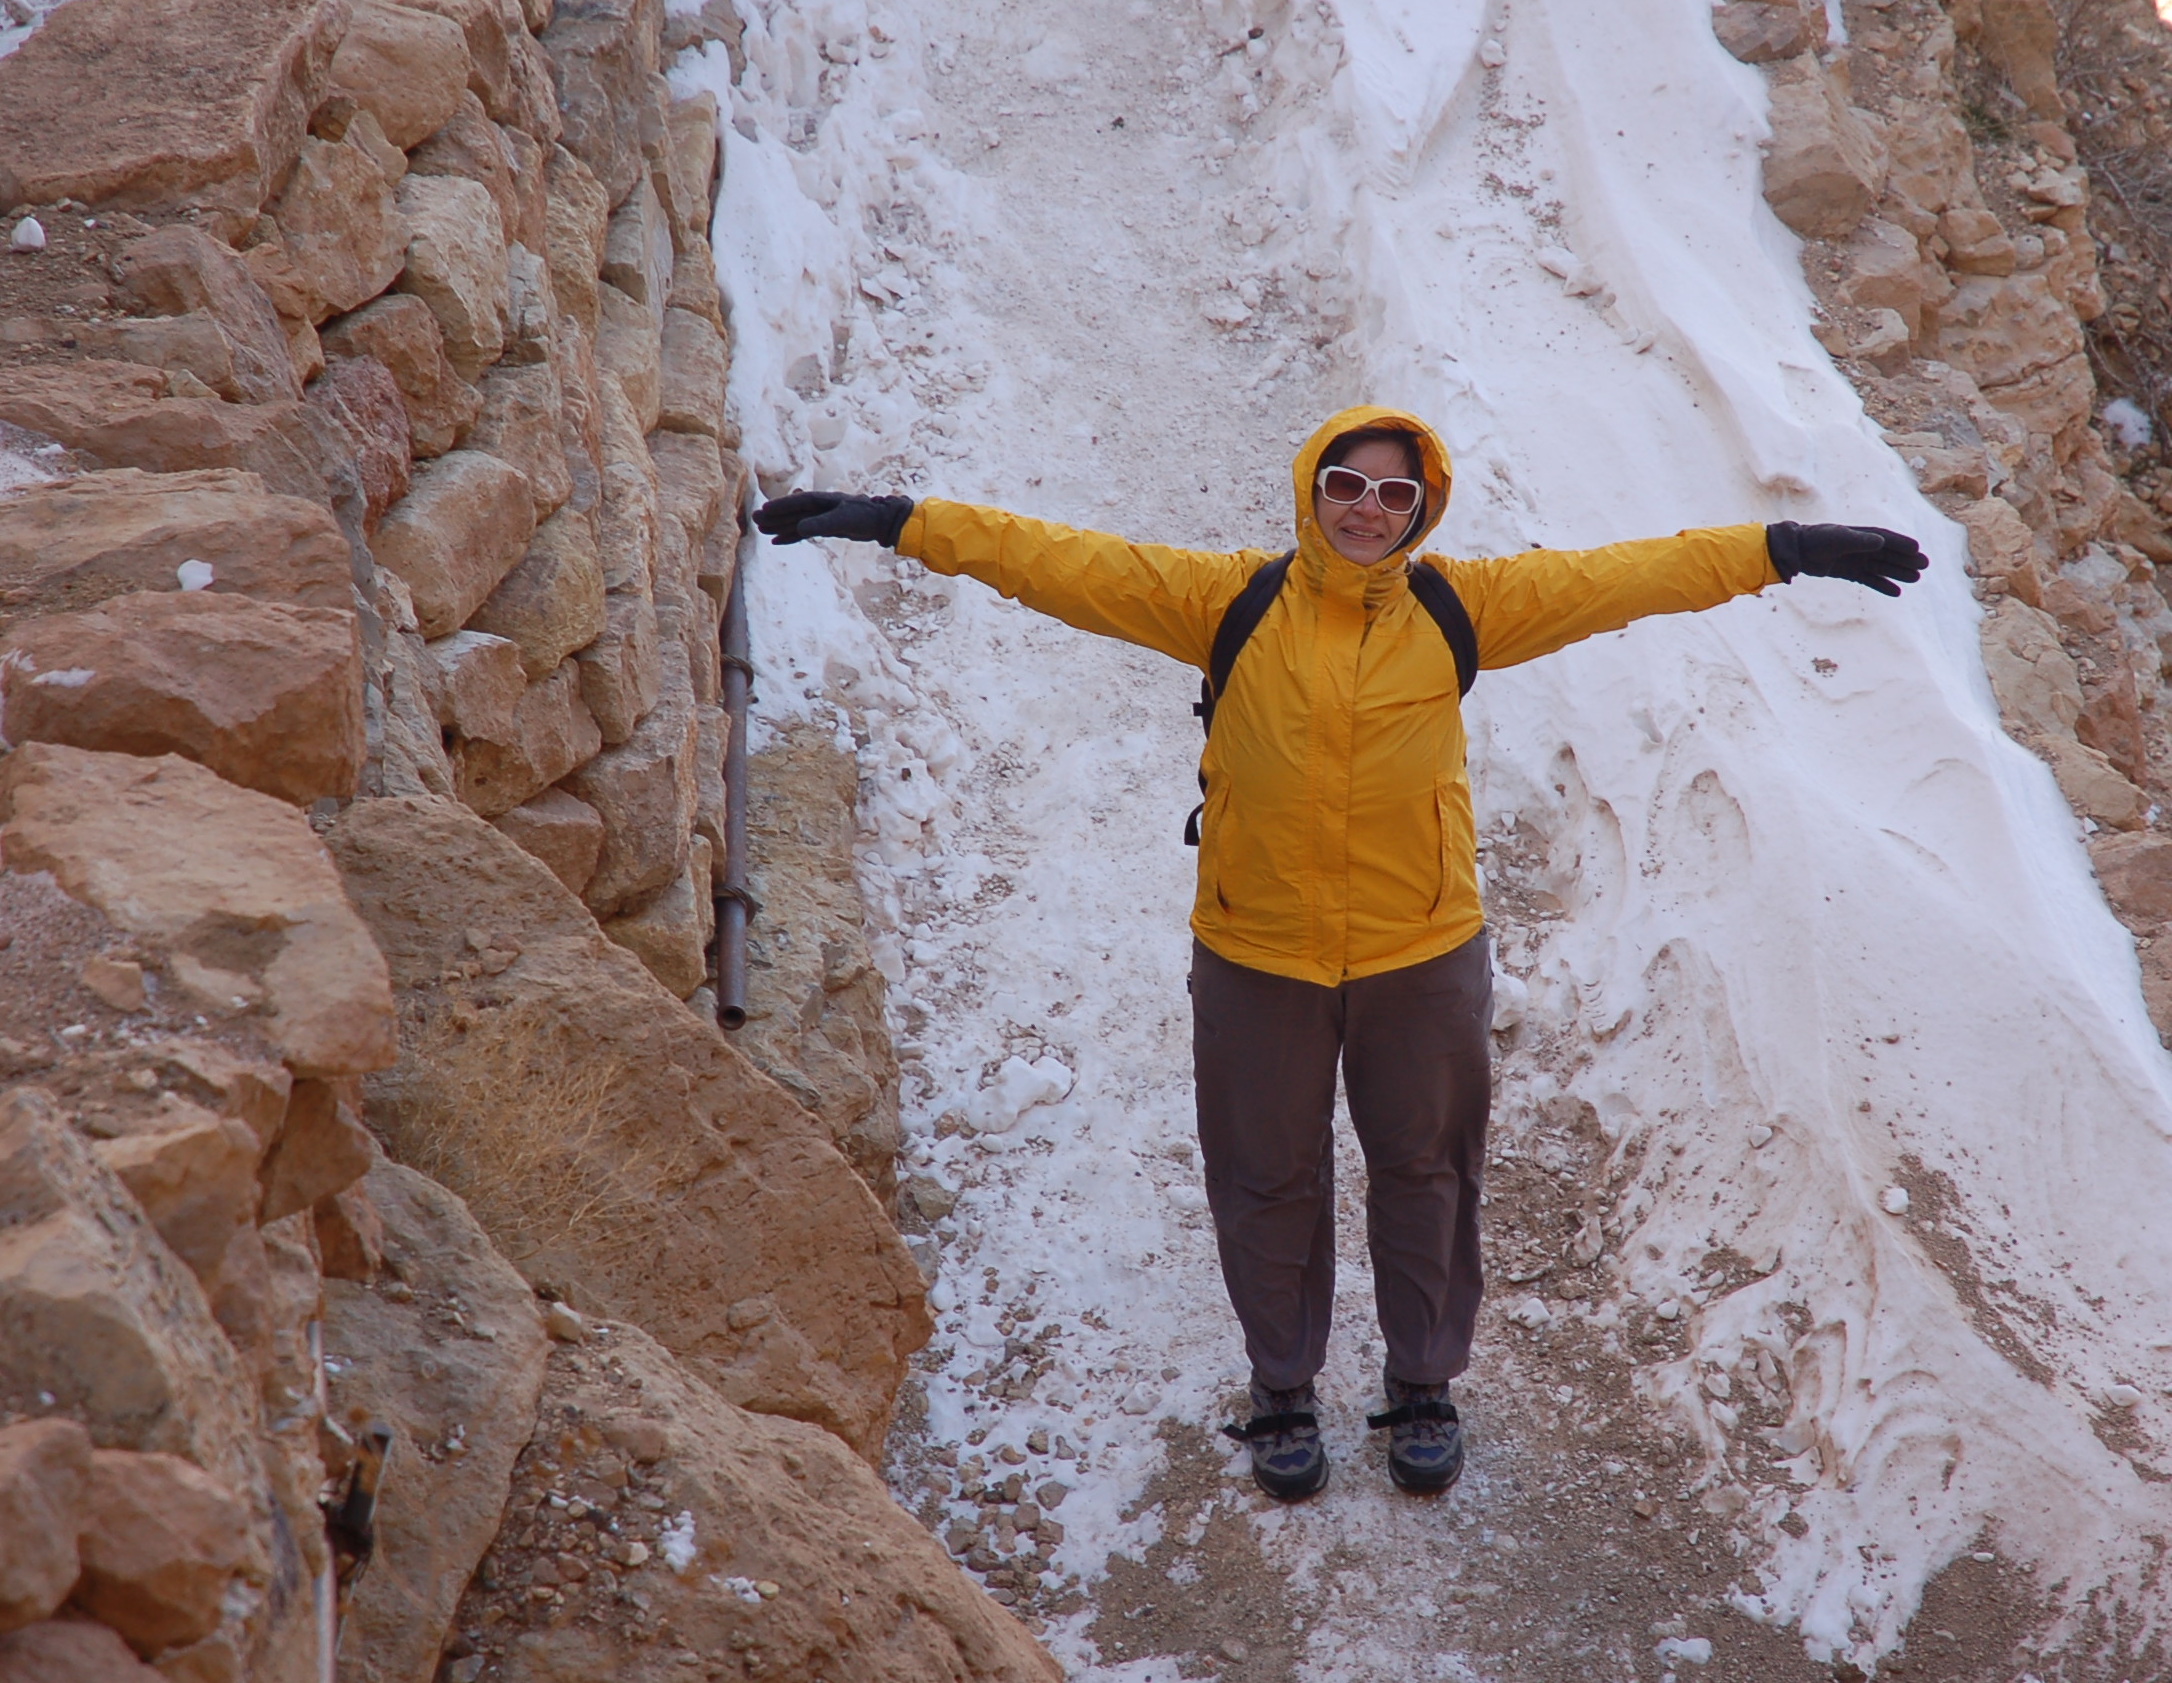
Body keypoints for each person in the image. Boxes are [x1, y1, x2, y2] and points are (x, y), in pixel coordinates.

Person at [757, 406, 1926, 1500]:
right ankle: (1281, 1385)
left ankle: (1421, 1381)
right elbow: (1055, 560)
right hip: (1256, 949)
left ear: (1422, 510)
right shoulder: (1227, 600)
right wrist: (901, 522)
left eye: (1392, 494)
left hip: (1421, 949)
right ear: (1310, 490)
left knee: (1426, 1169)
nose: (1366, 508)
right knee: (1264, 1173)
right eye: (1345, 484)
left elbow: (1629, 575)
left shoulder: (1460, 609)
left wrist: (1781, 548)